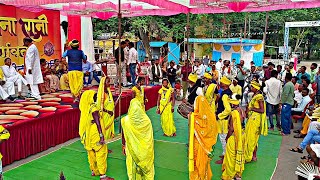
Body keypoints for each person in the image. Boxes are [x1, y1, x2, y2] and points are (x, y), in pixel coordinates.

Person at [78, 90, 114, 180]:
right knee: (101, 152)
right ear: (90, 98)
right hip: (96, 132)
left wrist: (106, 111)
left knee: (91, 152)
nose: (95, 97)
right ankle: (103, 176)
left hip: (88, 132)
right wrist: (101, 136)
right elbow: (98, 123)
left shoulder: (85, 107)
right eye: (94, 96)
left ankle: (94, 171)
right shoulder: (93, 108)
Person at [121, 97, 154, 180]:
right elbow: (149, 138)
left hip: (131, 148)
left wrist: (123, 145)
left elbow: (123, 134)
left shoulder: (125, 120)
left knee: (132, 168)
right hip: (145, 151)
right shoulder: (147, 121)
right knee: (147, 169)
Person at [188, 95, 218, 180]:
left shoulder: (194, 117)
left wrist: (190, 118)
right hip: (206, 146)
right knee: (203, 164)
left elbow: (191, 131)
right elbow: (212, 131)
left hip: (197, 146)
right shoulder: (211, 116)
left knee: (197, 165)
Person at [222, 95, 246, 180]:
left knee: (231, 156)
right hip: (242, 135)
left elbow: (231, 128)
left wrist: (227, 137)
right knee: (239, 154)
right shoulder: (242, 111)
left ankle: (230, 175)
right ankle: (237, 174)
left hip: (234, 137)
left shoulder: (233, 114)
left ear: (232, 105)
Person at [244, 81, 268, 162]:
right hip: (253, 118)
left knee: (251, 138)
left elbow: (262, 110)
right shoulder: (255, 95)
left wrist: (251, 109)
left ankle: (249, 157)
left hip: (255, 119)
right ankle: (254, 156)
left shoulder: (259, 97)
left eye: (252, 87)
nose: (251, 88)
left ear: (256, 88)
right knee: (253, 139)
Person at [216, 76, 233, 164]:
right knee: (224, 138)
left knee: (223, 138)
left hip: (223, 120)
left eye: (221, 82)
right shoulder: (229, 92)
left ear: (225, 84)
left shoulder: (225, 95)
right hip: (226, 119)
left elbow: (228, 109)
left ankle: (225, 158)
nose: (220, 83)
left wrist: (219, 116)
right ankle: (224, 153)